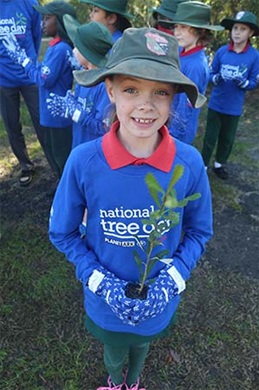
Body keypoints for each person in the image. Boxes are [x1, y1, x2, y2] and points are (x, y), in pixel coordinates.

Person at [49, 27, 213, 390]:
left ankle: (134, 380)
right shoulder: (83, 162)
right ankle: (114, 378)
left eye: (161, 92)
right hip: (104, 303)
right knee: (114, 347)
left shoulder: (189, 163)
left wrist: (171, 281)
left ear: (174, 100)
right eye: (130, 89)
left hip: (158, 302)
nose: (146, 105)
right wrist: (98, 280)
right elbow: (62, 231)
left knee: (142, 343)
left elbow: (200, 229)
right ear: (110, 90)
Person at [3, 1, 77, 179]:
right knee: (14, 127)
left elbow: (43, 78)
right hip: (5, 79)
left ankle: (62, 179)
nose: (44, 22)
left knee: (53, 140)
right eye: (43, 19)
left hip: (48, 103)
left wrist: (25, 60)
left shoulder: (60, 49)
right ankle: (36, 171)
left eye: (47, 19)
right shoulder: (55, 47)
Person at [201, 11, 259, 180]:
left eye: (242, 29)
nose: (237, 32)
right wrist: (217, 78)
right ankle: (203, 165)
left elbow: (254, 82)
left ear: (251, 33)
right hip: (216, 104)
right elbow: (211, 73)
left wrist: (243, 83)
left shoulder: (255, 56)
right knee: (210, 137)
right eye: (235, 28)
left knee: (227, 138)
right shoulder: (222, 52)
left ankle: (219, 164)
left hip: (234, 107)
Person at [161, 1, 224, 144]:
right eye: (176, 26)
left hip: (177, 133)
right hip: (168, 122)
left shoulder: (196, 66)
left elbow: (185, 107)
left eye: (183, 27)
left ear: (199, 31)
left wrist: (172, 137)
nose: (177, 32)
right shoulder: (180, 52)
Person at [0, 0, 48, 186]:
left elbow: (37, 35)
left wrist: (30, 64)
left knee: (42, 121)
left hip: (30, 78)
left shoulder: (29, 3)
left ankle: (57, 165)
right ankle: (26, 165)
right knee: (12, 125)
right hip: (4, 80)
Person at [46, 16, 114, 149]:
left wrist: (76, 113)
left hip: (94, 152)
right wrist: (67, 106)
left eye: (76, 46)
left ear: (86, 52)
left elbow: (104, 128)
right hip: (79, 145)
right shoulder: (83, 76)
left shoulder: (103, 84)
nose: (73, 50)